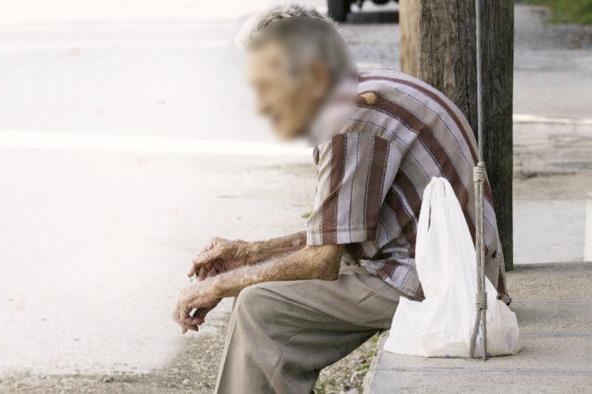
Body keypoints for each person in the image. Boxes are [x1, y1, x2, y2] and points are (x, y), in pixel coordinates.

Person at [172, 4, 510, 393]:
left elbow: (323, 260)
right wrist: (250, 253)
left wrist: (220, 285)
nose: (263, 101)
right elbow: (342, 231)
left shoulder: (350, 121)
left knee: (259, 307)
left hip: (447, 287)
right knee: (258, 293)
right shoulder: (368, 88)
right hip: (452, 269)